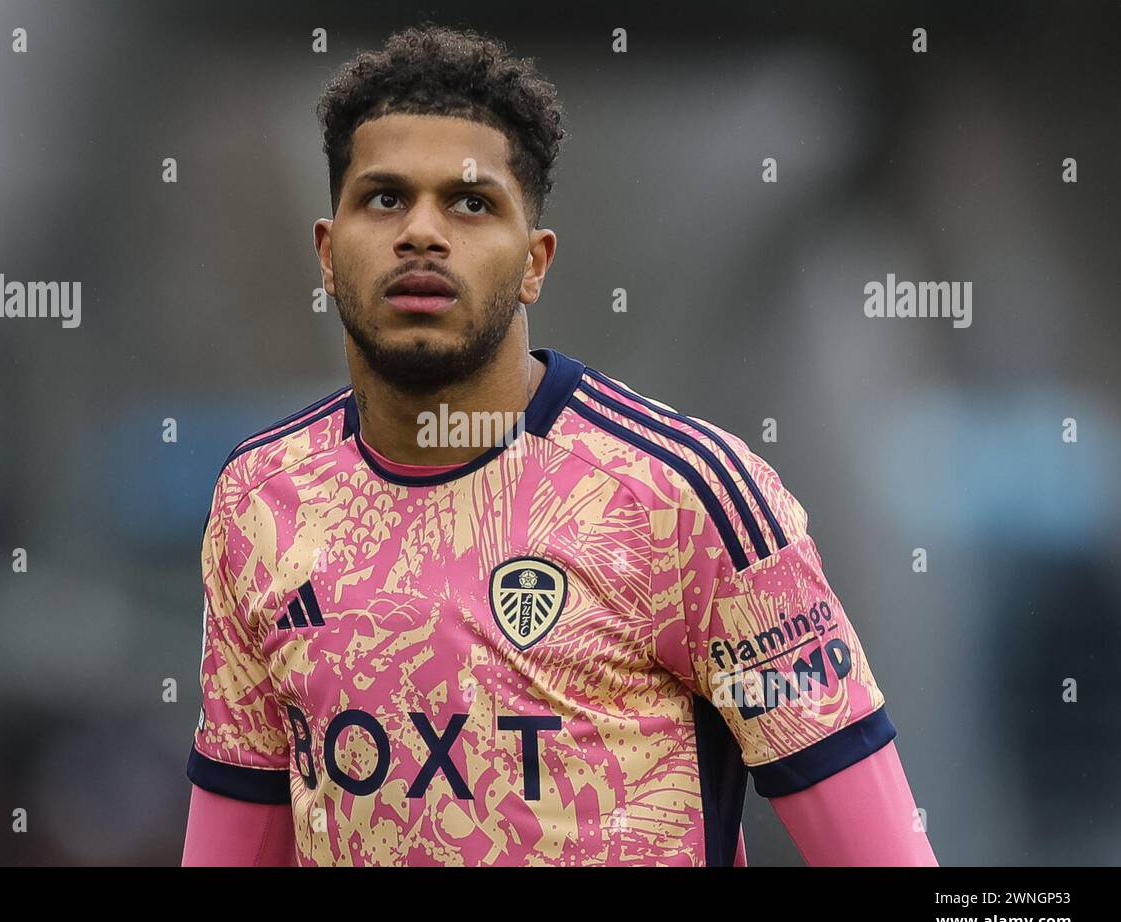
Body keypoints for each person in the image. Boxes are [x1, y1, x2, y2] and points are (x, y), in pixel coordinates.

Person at [182, 24, 937, 866]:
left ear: (535, 262)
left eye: (470, 202)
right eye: (385, 198)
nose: (422, 233)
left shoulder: (690, 497)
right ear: (327, 253)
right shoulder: (260, 499)